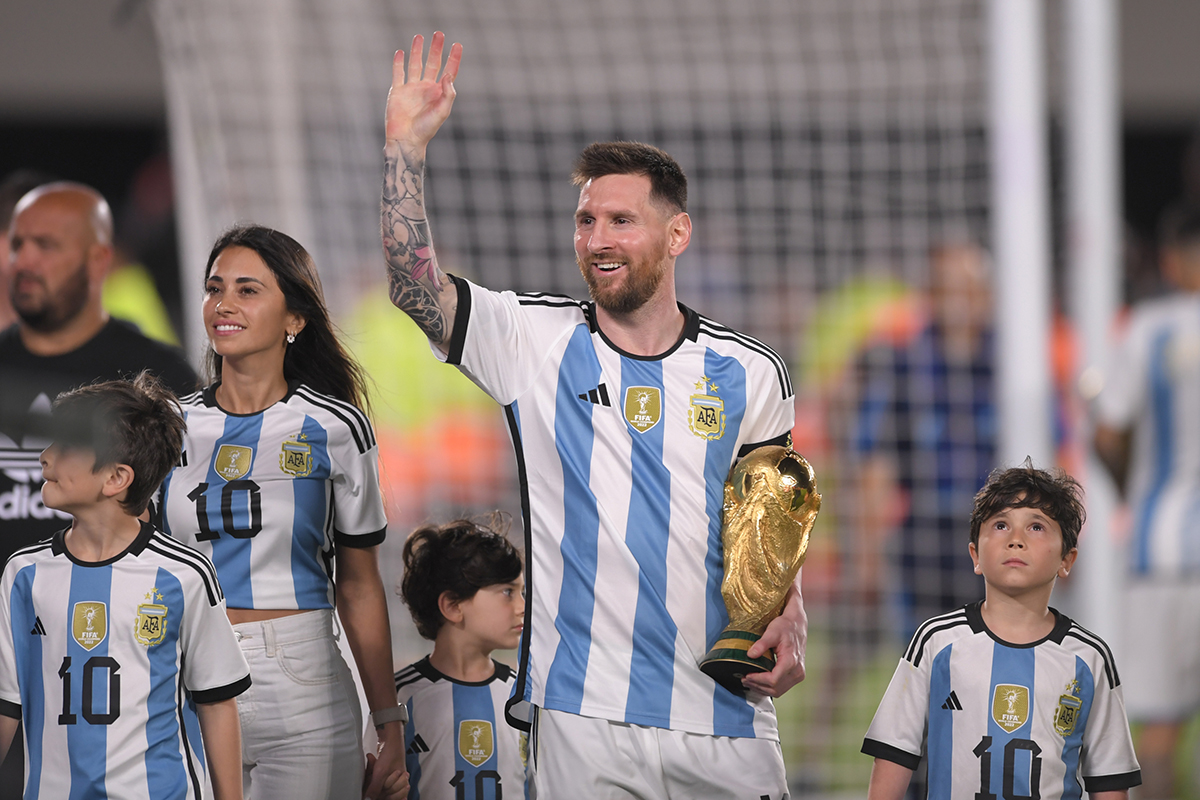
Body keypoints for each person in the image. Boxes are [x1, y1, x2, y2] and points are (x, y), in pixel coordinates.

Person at [382, 33, 804, 798]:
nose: (597, 240)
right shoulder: (532, 341)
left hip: (726, 710)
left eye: (620, 221)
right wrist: (404, 151)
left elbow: (767, 526)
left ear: (677, 234)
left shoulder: (750, 373)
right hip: (583, 715)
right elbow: (416, 290)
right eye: (585, 221)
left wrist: (792, 613)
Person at [158, 225, 407, 800]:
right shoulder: (166, 425)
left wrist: (388, 720)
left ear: (295, 318)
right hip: (183, 670)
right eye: (215, 288)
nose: (224, 304)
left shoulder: (336, 426)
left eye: (247, 290)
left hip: (303, 680)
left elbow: (359, 585)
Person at [0, 181, 199, 794]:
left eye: (47, 245)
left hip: (117, 671)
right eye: (17, 243)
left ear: (98, 260)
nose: (24, 260)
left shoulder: (161, 378)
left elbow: (188, 524)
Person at [0, 373, 250, 799]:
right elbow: (7, 704)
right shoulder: (23, 574)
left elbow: (216, 701)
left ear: (116, 478)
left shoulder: (185, 575)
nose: (45, 457)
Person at [861, 462, 1141, 800]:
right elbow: (893, 754)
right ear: (975, 555)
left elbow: (1109, 781)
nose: (1015, 540)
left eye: (1036, 527)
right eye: (1001, 525)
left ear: (1067, 559)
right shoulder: (936, 643)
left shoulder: (1089, 659)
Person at [1094, 203, 1200, 800]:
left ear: (1171, 260)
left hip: (1162, 552)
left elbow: (1108, 432)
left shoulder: (1147, 329)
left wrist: (1130, 489)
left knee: (1158, 733)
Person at [853, 242, 994, 639]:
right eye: (948, 289)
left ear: (987, 295)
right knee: (927, 652)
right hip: (926, 539)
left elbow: (1056, 450)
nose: (959, 303)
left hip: (1001, 532)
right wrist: (867, 554)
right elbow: (876, 463)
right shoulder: (906, 368)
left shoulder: (1011, 365)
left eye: (968, 289)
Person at [378, 518, 528, 799]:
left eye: (522, 592)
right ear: (453, 606)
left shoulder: (525, 697)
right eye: (507, 592)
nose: (523, 606)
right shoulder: (396, 700)